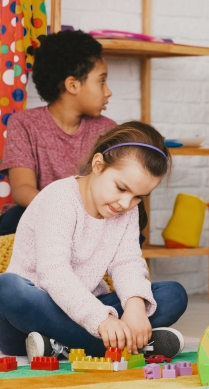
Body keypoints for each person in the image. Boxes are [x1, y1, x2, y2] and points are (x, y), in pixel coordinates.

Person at [0, 122, 188, 360]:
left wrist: (135, 306)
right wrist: (101, 320)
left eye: (138, 197)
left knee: (173, 294)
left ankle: (61, 346)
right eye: (121, 188)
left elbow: (127, 262)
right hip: (35, 312)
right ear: (98, 165)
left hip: (88, 305)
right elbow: (53, 273)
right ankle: (117, 346)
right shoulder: (60, 198)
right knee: (7, 288)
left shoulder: (126, 211)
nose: (125, 203)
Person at [0, 29, 116, 235]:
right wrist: (62, 212)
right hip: (40, 212)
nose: (108, 91)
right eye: (101, 81)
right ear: (72, 85)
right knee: (12, 220)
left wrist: (82, 216)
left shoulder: (107, 130)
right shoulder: (23, 124)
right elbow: (22, 189)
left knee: (128, 227)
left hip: (90, 217)